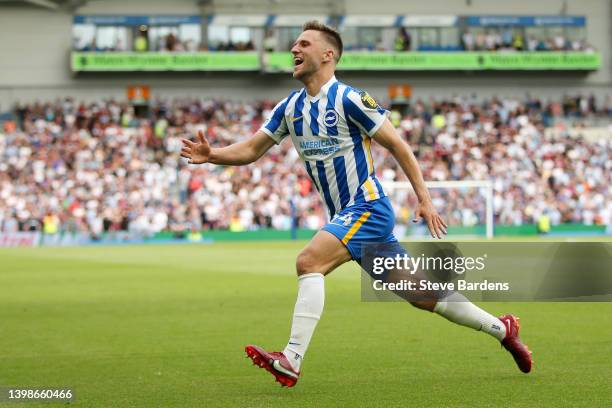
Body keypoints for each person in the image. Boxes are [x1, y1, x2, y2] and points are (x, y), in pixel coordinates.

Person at [180, 20, 532, 388]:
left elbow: (399, 146)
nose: (294, 50)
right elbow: (252, 149)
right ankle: (502, 329)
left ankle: (291, 358)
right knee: (424, 296)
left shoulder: (350, 99)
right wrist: (213, 154)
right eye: (295, 44)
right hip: (349, 217)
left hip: (368, 206)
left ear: (328, 55)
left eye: (304, 44)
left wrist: (424, 200)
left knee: (308, 261)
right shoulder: (290, 108)